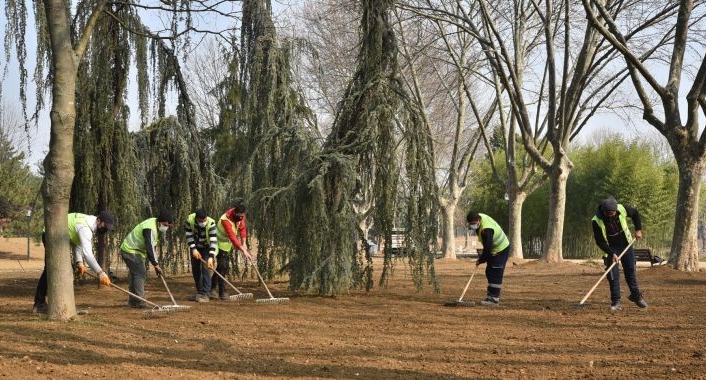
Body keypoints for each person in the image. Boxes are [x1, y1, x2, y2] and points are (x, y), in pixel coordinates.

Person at [32, 211, 114, 313]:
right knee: (53, 269)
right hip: (52, 235)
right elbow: (88, 255)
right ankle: (41, 304)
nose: (105, 229)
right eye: (104, 226)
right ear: (98, 220)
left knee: (57, 270)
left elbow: (78, 244)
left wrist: (79, 262)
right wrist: (100, 273)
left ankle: (62, 305)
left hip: (57, 236)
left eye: (107, 227)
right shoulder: (85, 228)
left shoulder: (88, 224)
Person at [591, 196, 648, 311]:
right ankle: (616, 302)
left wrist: (638, 229)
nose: (613, 215)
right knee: (613, 276)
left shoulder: (621, 208)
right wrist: (612, 253)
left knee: (630, 271)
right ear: (605, 212)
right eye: (611, 214)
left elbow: (635, 213)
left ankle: (636, 296)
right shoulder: (596, 220)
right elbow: (600, 241)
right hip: (610, 248)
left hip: (626, 244)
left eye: (614, 213)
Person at [119, 210, 173, 308]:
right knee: (140, 274)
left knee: (135, 275)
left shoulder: (154, 224)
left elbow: (152, 247)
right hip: (131, 250)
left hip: (134, 250)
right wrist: (155, 264)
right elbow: (149, 247)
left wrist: (156, 263)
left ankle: (133, 302)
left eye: (168, 226)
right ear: (159, 222)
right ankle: (140, 302)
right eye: (165, 225)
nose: (166, 227)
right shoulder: (150, 228)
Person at [467, 211, 510, 307]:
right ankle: (490, 296)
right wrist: (483, 258)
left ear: (478, 220)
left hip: (501, 249)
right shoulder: (479, 219)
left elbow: (487, 249)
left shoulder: (487, 230)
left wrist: (481, 260)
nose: (472, 226)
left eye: (473, 224)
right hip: (493, 249)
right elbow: (487, 248)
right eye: (470, 224)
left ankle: (494, 300)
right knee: (489, 271)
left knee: (495, 273)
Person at [212, 203, 253, 300]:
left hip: (227, 244)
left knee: (223, 267)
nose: (241, 218)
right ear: (235, 213)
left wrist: (244, 243)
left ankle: (212, 287)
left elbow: (242, 229)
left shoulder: (241, 216)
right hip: (219, 243)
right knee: (222, 266)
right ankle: (222, 292)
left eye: (242, 216)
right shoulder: (225, 220)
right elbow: (232, 237)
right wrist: (243, 250)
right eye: (239, 216)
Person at [184, 208, 217, 302]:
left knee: (206, 269)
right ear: (196, 218)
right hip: (195, 246)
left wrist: (210, 257)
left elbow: (213, 241)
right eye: (200, 221)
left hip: (207, 247)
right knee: (195, 269)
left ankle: (206, 294)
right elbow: (189, 235)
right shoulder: (189, 220)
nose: (203, 222)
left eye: (204, 220)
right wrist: (194, 249)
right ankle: (200, 292)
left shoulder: (211, 223)